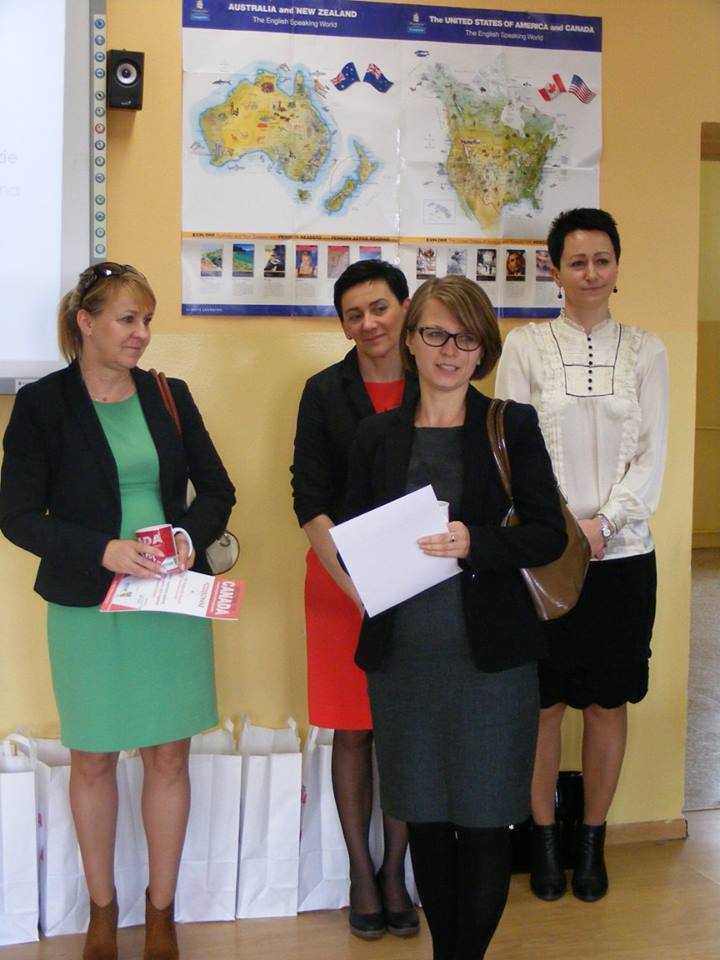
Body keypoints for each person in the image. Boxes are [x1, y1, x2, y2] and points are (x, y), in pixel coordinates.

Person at [0, 262, 236, 960]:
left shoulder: (168, 394)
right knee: (94, 758)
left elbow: (217, 490)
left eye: (147, 320)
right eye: (128, 319)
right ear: (86, 322)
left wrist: (187, 539)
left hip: (169, 598)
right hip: (88, 601)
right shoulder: (43, 404)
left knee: (169, 756)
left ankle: (160, 914)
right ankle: (102, 913)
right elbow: (16, 515)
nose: (142, 333)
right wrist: (101, 550)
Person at [340, 275, 567, 960]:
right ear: (410, 341)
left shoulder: (509, 425)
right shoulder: (376, 436)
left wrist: (477, 542)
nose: (450, 350)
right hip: (405, 663)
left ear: (483, 350)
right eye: (435, 333)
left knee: (487, 822)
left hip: (490, 665)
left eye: (466, 338)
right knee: (428, 823)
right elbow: (352, 532)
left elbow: (548, 534)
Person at [495, 208, 669, 902]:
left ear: (616, 267)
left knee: (606, 702)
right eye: (577, 261)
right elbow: (509, 452)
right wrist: (565, 530)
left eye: (602, 259)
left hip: (624, 558)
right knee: (541, 704)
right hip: (543, 558)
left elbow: (653, 455)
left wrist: (606, 523)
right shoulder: (525, 346)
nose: (590, 273)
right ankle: (542, 839)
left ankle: (591, 842)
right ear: (556, 271)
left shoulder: (647, 350)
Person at [291, 260, 420, 940]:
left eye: (380, 307)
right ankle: (360, 874)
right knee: (353, 729)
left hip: (421, 581)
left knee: (403, 728)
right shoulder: (323, 392)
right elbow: (308, 498)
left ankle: (396, 872)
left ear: (405, 308)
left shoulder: (439, 375)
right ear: (342, 325)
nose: (369, 323)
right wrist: (356, 584)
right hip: (340, 582)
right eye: (354, 314)